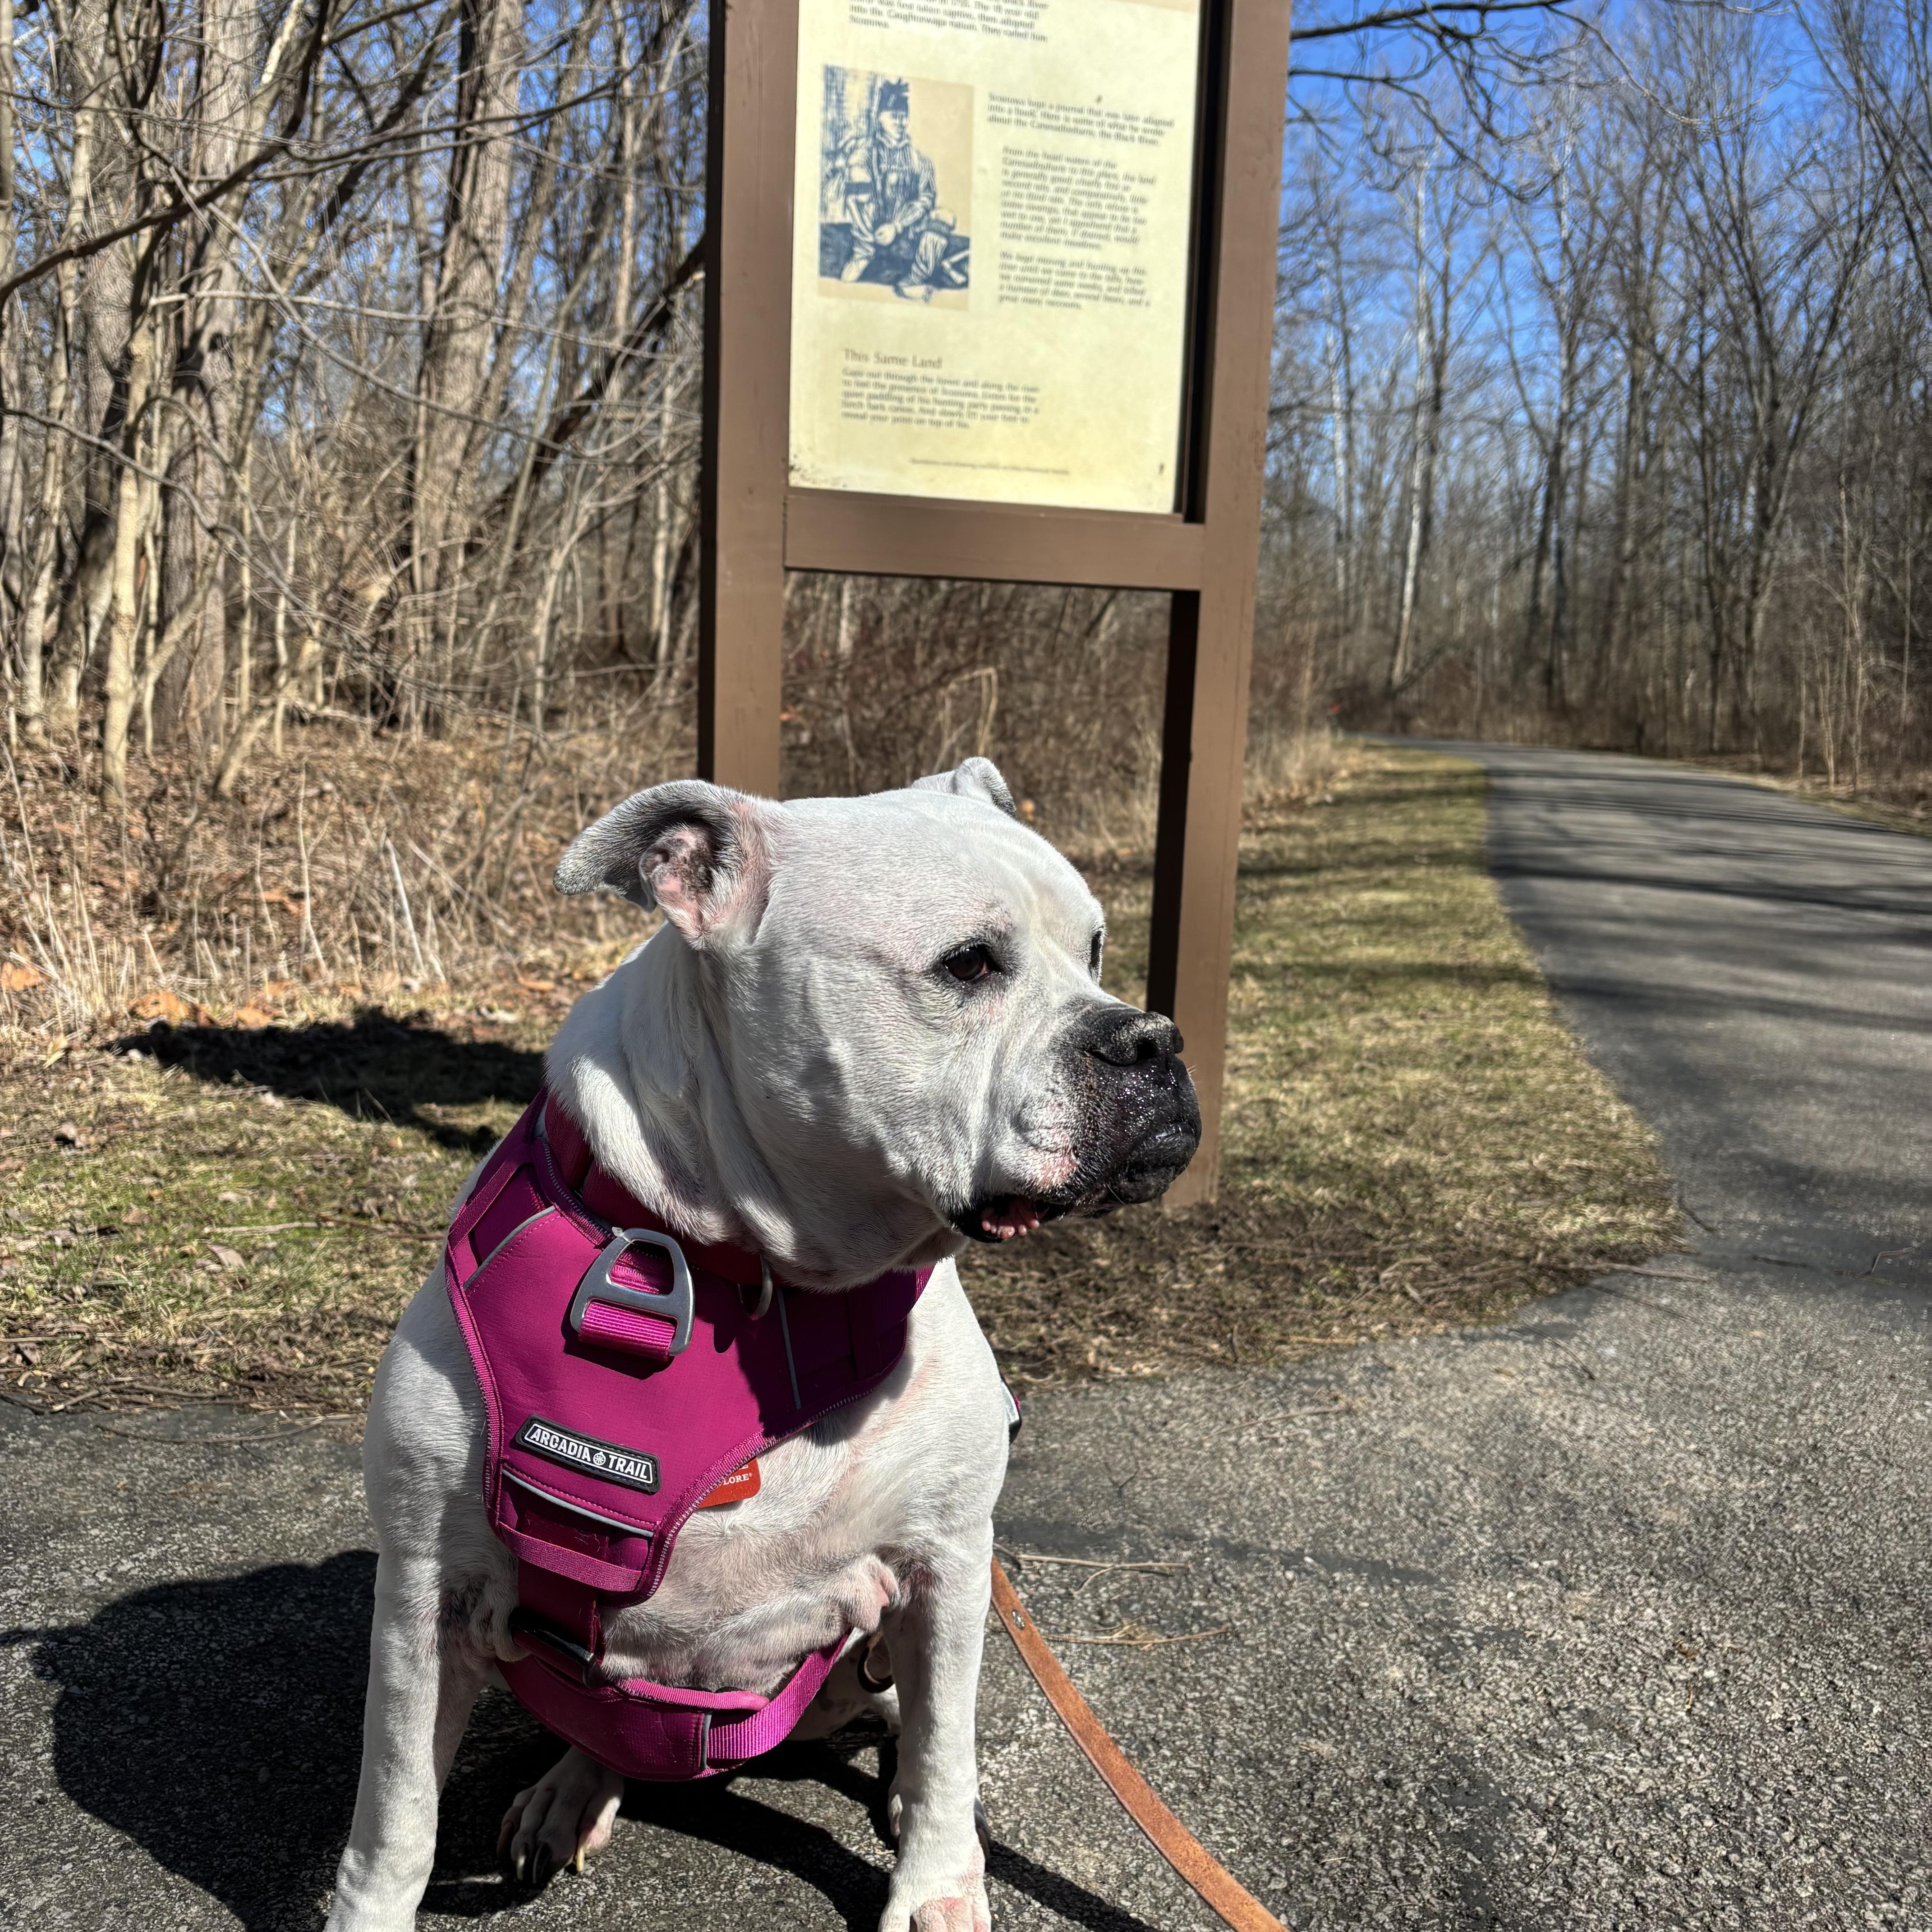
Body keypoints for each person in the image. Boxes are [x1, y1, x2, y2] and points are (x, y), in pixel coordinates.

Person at [832, 80, 958, 301]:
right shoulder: (865, 152)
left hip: (906, 231)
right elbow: (854, 200)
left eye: (903, 116)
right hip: (872, 234)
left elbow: (926, 199)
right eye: (894, 116)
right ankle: (862, 257)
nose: (900, 122)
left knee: (945, 217)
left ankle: (912, 282)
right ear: (880, 117)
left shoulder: (919, 160)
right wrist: (870, 236)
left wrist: (898, 225)